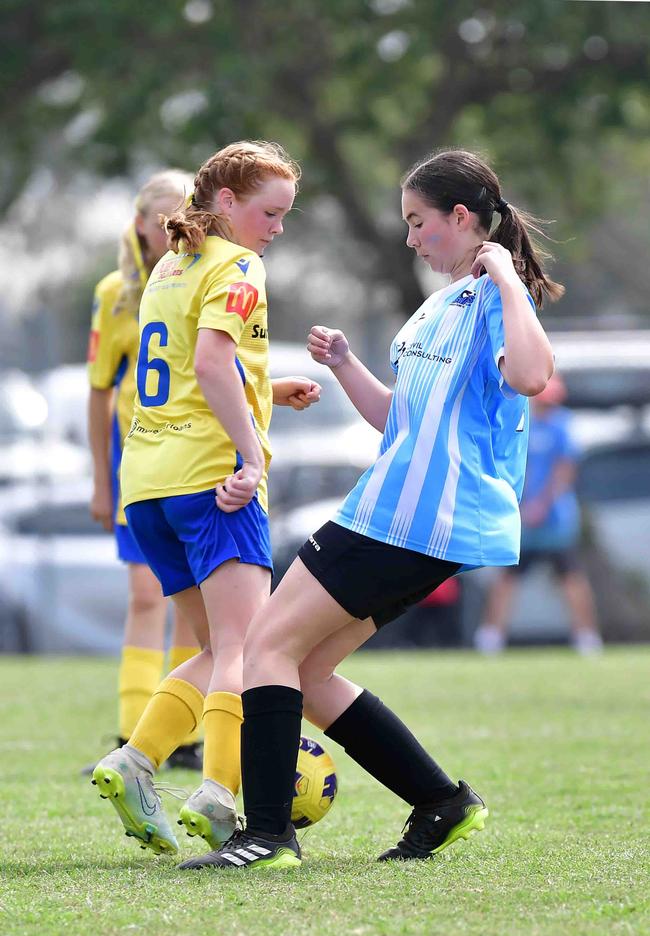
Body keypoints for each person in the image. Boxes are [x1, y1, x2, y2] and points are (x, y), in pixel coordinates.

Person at [178, 148, 562, 872]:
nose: (412, 238)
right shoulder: (442, 301)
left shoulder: (494, 298)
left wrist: (507, 272)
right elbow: (403, 422)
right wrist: (346, 365)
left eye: (420, 222)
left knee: (266, 646)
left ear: (460, 217)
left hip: (417, 515)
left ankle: (264, 835)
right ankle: (442, 802)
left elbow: (534, 375)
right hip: (401, 508)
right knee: (308, 670)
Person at [90, 140, 321, 857]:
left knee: (218, 644)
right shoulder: (239, 263)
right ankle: (220, 794)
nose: (277, 228)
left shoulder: (170, 262)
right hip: (209, 479)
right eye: (269, 212)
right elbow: (212, 361)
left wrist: (268, 391)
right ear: (226, 203)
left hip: (150, 483)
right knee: (248, 648)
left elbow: (193, 368)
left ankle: (134, 759)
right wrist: (251, 456)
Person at [85, 170, 204, 773]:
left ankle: (181, 735)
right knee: (144, 595)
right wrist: (102, 481)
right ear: (142, 224)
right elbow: (100, 391)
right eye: (167, 218)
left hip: (195, 456)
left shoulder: (207, 277)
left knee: (193, 599)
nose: (179, 226)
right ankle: (132, 732)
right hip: (136, 458)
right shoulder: (117, 293)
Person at [474, 372, 602, 656]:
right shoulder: (520, 423)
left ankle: (586, 637)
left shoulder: (561, 426)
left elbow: (565, 470)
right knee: (508, 578)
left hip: (555, 519)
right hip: (522, 519)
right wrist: (518, 506)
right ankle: (491, 637)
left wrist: (541, 505)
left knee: (570, 577)